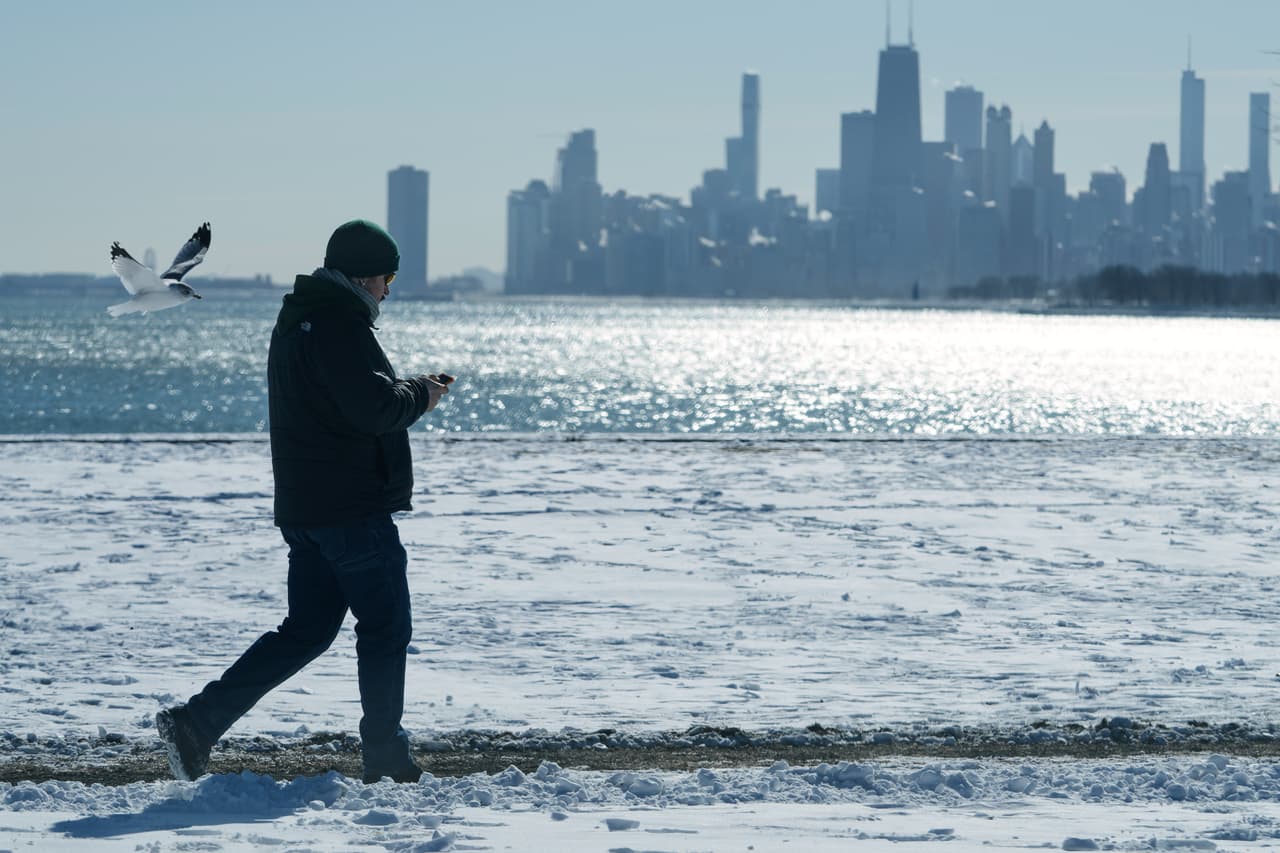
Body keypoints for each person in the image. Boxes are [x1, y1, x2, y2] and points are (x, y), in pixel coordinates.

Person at [156, 219, 450, 784]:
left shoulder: (300, 318)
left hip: (307, 507)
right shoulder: (341, 324)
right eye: (388, 278)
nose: (389, 290)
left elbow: (345, 403)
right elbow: (373, 410)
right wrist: (422, 393)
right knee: (386, 629)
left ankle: (197, 722)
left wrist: (405, 389)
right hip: (350, 510)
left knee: (308, 630)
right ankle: (386, 756)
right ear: (366, 277)